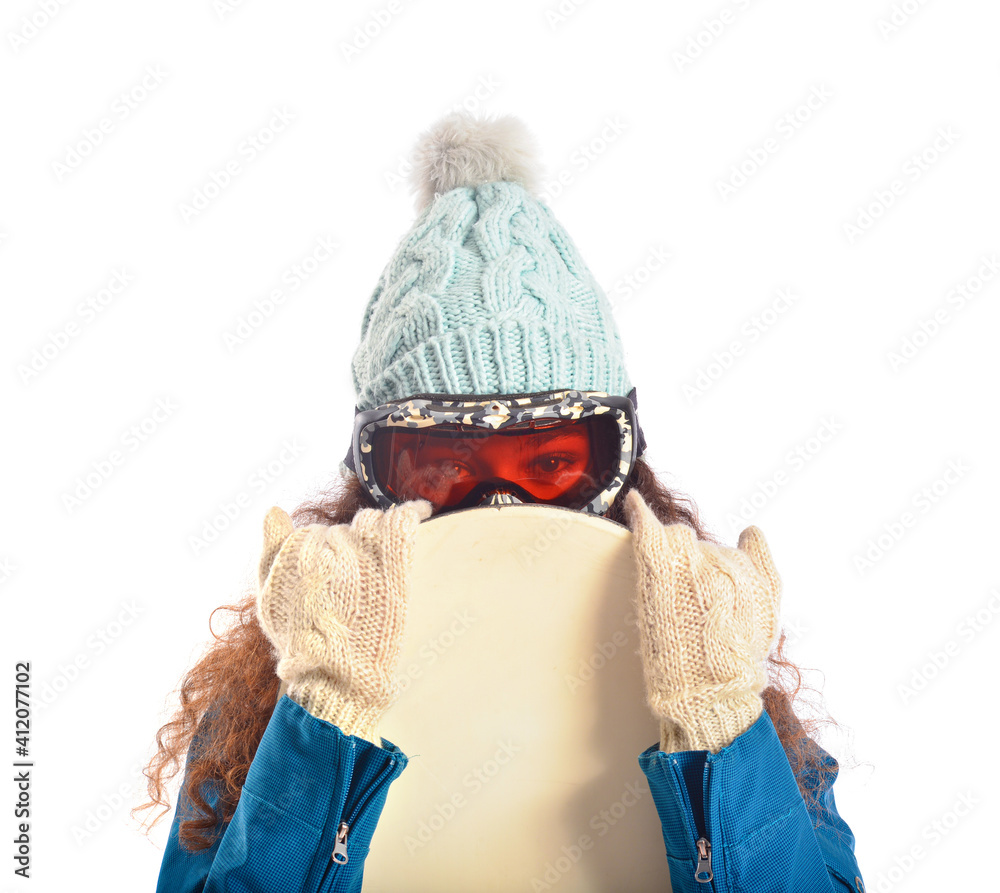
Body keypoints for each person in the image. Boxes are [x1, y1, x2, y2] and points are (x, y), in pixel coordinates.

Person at [135, 112, 867, 893]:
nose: (501, 510)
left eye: (552, 462)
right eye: (445, 466)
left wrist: (723, 728)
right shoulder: (267, 714)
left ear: (619, 468)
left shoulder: (724, 673)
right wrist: (320, 719)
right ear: (375, 477)